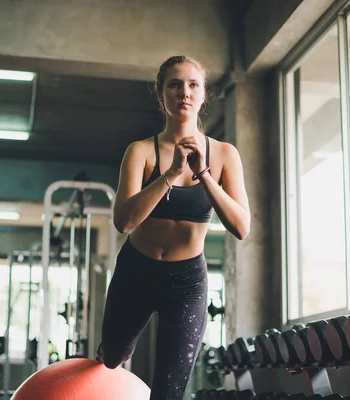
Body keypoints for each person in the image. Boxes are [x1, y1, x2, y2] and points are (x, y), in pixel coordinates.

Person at [96, 55, 250, 400]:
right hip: (137, 269)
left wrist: (203, 174)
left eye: (193, 85)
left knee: (169, 390)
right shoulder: (140, 152)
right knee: (113, 357)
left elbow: (241, 227)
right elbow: (123, 221)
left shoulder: (225, 155)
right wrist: (169, 174)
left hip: (187, 282)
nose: (185, 92)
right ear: (160, 93)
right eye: (175, 84)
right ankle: (115, 350)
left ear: (203, 94)